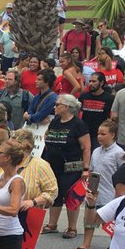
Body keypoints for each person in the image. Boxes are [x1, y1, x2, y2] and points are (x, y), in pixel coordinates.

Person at [40, 94, 90, 238]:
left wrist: (86, 169)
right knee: (55, 193)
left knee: (70, 195)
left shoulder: (78, 124)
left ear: (67, 107)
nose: (55, 107)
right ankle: (52, 224)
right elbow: (47, 135)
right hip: (53, 164)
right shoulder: (55, 121)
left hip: (71, 166)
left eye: (57, 105)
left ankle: (72, 228)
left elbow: (86, 148)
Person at [75, 120, 125, 249]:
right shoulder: (96, 151)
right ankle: (86, 244)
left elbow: (123, 174)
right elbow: (92, 170)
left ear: (112, 135)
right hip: (94, 191)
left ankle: (114, 245)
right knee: (88, 219)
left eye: (103, 134)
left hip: (110, 193)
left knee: (111, 222)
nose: (99, 136)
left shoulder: (119, 153)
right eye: (98, 133)